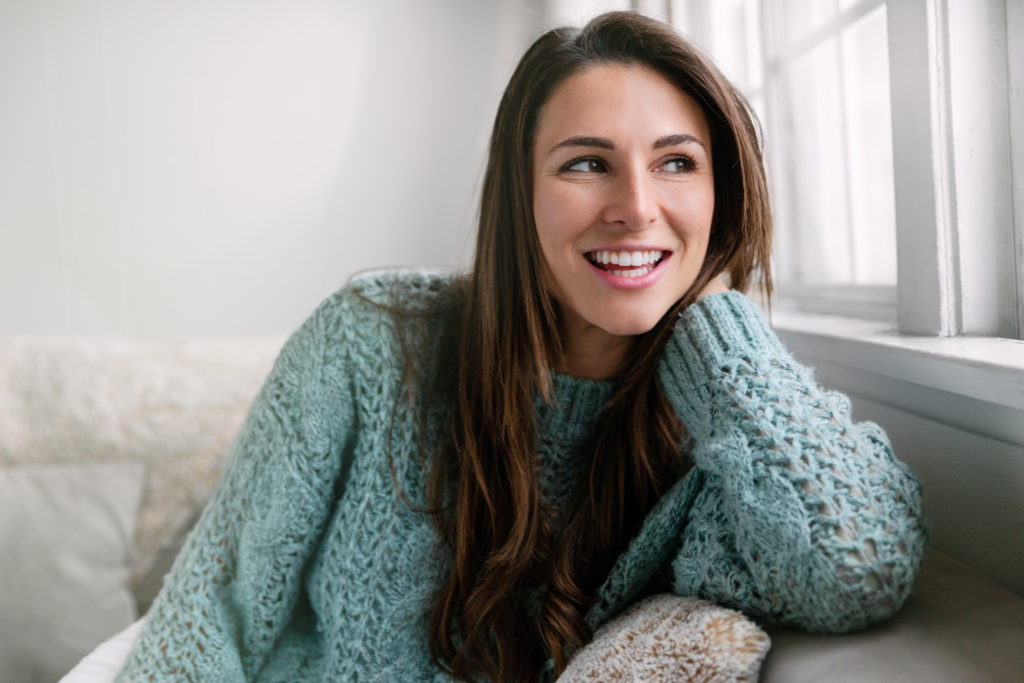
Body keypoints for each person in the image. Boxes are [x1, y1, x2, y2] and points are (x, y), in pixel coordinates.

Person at [115, 11, 926, 682]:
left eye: (677, 163)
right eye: (587, 164)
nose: (637, 207)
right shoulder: (368, 336)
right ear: (521, 195)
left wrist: (719, 318)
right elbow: (210, 611)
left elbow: (858, 567)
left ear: (723, 193)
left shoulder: (716, 431)